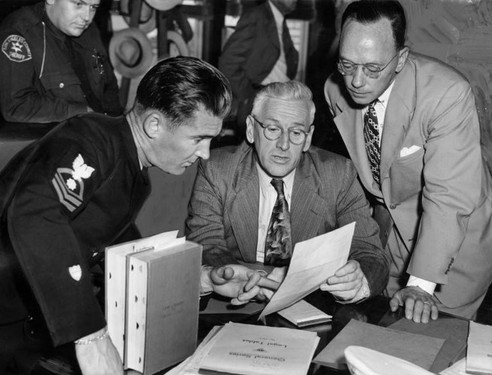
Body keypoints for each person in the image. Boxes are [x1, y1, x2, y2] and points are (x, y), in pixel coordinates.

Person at [0, 56, 275, 375]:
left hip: (25, 330)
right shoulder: (91, 138)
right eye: (198, 138)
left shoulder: (132, 171)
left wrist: (202, 280)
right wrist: (90, 335)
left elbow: (124, 257)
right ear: (154, 125)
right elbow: (35, 215)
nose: (204, 154)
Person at [324, 0, 492, 323]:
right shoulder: (334, 89)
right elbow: (374, 179)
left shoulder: (447, 94)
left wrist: (420, 283)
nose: (356, 81)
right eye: (347, 65)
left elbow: (449, 197)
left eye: (373, 69)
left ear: (401, 59)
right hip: (393, 243)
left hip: (452, 251)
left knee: (431, 349)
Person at [186, 80, 389, 306]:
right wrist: (239, 275)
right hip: (236, 302)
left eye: (296, 132)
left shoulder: (339, 175)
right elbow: (206, 244)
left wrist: (358, 280)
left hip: (313, 303)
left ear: (308, 138)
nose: (284, 144)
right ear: (252, 130)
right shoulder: (217, 170)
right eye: (273, 129)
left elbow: (371, 253)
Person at [0, 0, 123, 124]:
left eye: (93, 7)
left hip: (99, 129)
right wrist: (82, 112)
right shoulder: (20, 31)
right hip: (57, 137)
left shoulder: (89, 29)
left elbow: (108, 86)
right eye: (78, 4)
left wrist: (115, 124)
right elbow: (16, 106)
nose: (87, 17)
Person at [218, 0, 299, 140]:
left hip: (281, 100)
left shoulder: (279, 19)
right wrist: (247, 95)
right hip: (260, 102)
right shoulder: (256, 16)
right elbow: (228, 62)